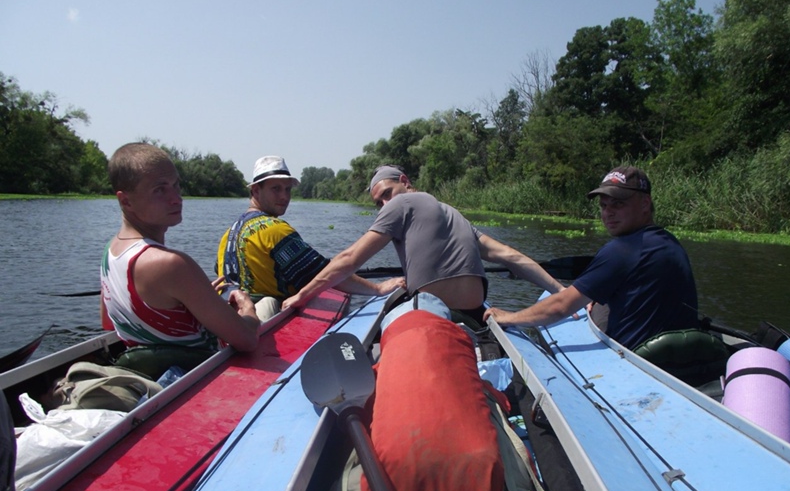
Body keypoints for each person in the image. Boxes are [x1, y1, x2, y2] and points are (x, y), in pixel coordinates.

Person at [282, 165, 565, 324]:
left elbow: (349, 259)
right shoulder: (454, 213)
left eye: (387, 194)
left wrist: (302, 295)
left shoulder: (402, 203)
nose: (385, 205)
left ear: (404, 182)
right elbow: (510, 256)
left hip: (432, 312)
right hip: (475, 314)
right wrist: (562, 291)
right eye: (379, 203)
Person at [484, 166, 698, 350]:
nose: (608, 213)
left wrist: (509, 317)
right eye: (604, 206)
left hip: (634, 360)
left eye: (618, 204)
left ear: (645, 203)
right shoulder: (670, 243)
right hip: (677, 355)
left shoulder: (621, 250)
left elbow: (560, 307)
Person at [100, 143, 260, 369]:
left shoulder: (110, 251)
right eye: (160, 190)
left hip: (146, 370)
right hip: (194, 375)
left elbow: (109, 323)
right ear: (126, 201)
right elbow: (248, 340)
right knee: (268, 306)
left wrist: (190, 300)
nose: (176, 198)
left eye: (176, 185)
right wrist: (247, 308)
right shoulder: (172, 264)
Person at [217, 156, 404, 321]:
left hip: (230, 319)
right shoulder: (274, 230)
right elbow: (325, 275)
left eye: (288, 189)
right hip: (265, 320)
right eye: (276, 189)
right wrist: (377, 289)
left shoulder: (228, 234)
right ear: (256, 191)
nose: (284, 196)